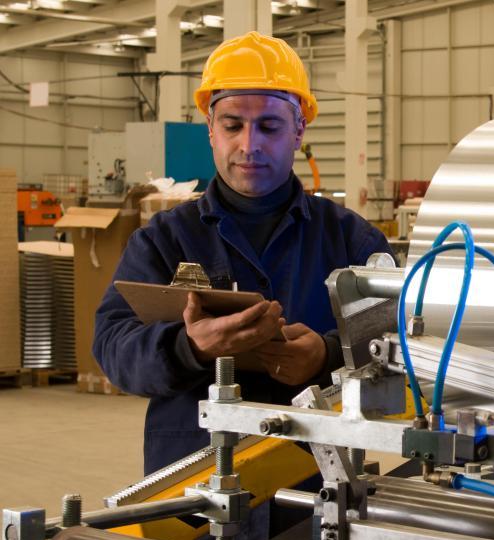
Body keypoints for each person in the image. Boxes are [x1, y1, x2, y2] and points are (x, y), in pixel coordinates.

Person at [93, 31, 392, 474]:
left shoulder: (353, 241)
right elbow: (113, 346)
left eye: (269, 126)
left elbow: (399, 341)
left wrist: (328, 355)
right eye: (233, 125)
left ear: (299, 131)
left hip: (314, 481)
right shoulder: (162, 241)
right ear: (211, 130)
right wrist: (188, 347)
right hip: (193, 478)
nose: (249, 145)